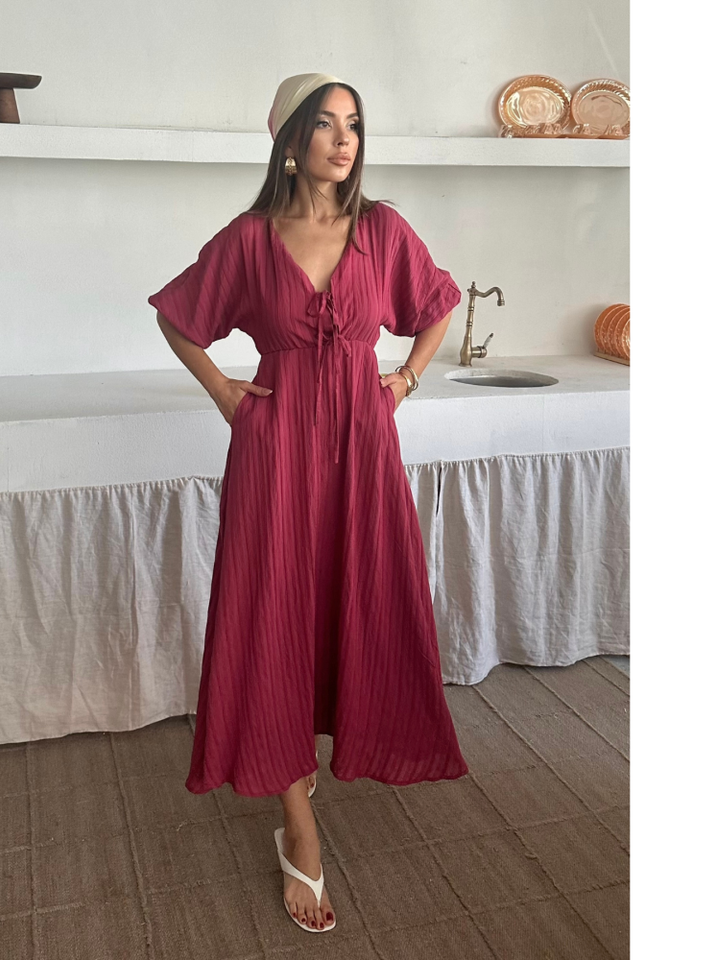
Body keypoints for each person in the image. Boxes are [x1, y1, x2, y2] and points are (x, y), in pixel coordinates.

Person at [147, 72, 469, 935]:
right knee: (275, 618)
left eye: (353, 124)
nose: (343, 139)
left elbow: (439, 304)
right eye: (324, 124)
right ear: (290, 141)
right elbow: (178, 318)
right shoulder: (250, 240)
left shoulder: (384, 230)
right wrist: (225, 392)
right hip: (278, 451)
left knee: (356, 604)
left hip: (362, 450)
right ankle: (298, 822)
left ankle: (318, 756)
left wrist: (404, 377)